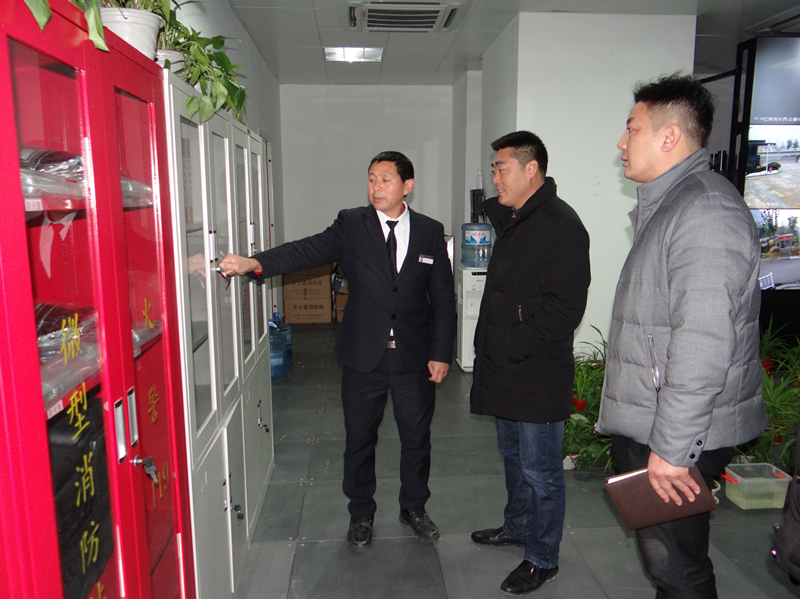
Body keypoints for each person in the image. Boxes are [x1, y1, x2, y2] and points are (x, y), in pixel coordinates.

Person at [219, 151, 455, 552]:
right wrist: (253, 263)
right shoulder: (352, 224)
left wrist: (442, 352)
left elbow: (444, 298)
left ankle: (414, 508)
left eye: (385, 179)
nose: (376, 187)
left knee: (417, 439)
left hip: (414, 357)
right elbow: (305, 250)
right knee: (359, 440)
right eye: (371, 179)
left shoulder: (430, 231)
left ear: (407, 186)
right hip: (364, 356)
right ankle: (361, 513)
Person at [596, 74, 767, 598]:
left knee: (676, 568)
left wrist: (672, 450)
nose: (621, 143)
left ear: (669, 136)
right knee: (668, 563)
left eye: (632, 129)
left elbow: (703, 341)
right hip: (657, 420)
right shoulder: (675, 204)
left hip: (673, 434)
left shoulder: (705, 210)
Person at [469, 131, 591, 595]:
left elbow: (565, 308)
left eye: (501, 169)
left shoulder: (561, 225)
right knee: (513, 455)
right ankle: (518, 527)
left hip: (536, 371)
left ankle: (543, 557)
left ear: (531, 169)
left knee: (541, 471)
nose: (495, 179)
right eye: (494, 170)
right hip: (506, 367)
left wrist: (515, 341)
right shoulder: (518, 218)